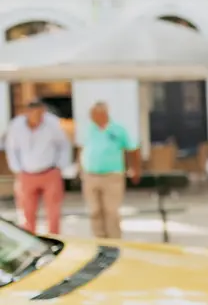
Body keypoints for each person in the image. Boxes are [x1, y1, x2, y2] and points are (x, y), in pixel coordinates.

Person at [3, 99, 72, 234]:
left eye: (41, 114)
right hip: (26, 174)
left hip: (49, 172)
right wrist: (17, 169)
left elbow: (64, 145)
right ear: (27, 113)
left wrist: (60, 166)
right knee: (26, 212)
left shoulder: (53, 123)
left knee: (53, 212)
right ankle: (30, 242)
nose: (38, 118)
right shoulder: (16, 125)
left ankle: (54, 238)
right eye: (35, 114)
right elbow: (11, 148)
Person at [80, 102, 142, 239]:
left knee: (111, 211)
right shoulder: (89, 129)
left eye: (95, 114)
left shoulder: (118, 130)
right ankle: (99, 240)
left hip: (112, 176)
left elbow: (132, 149)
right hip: (91, 175)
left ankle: (114, 241)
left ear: (103, 114)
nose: (92, 118)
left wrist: (135, 169)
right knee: (94, 210)